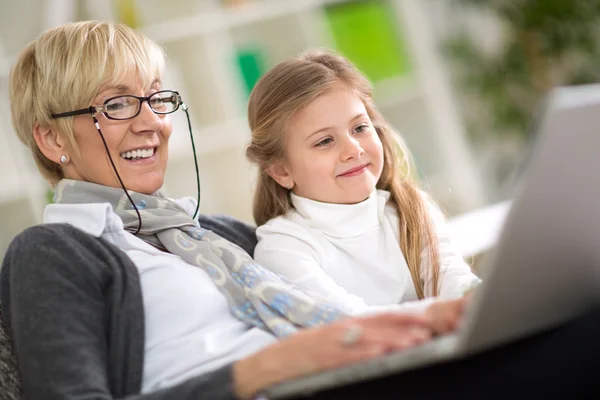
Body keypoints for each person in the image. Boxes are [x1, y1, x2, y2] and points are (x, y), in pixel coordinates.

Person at [3, 19, 600, 400]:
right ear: (53, 141)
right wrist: (265, 369)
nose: (152, 122)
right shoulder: (54, 251)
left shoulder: (213, 234)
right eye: (115, 105)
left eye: (157, 99)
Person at [246, 51, 480, 316]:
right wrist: (438, 315)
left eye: (359, 128)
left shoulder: (411, 209)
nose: (353, 149)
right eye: (324, 141)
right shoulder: (283, 246)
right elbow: (350, 321)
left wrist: (475, 300)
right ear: (280, 170)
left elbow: (454, 280)